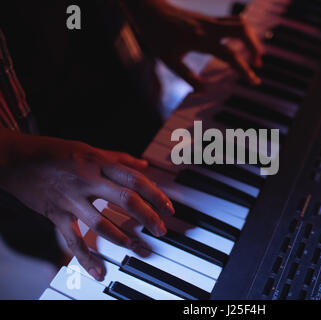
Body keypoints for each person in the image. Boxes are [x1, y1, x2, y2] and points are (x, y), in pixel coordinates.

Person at [0, 0, 262, 281]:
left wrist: (142, 7)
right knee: (31, 219)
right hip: (13, 130)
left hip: (95, 43)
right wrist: (16, 158)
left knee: (140, 154)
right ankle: (58, 259)